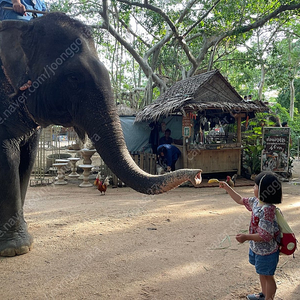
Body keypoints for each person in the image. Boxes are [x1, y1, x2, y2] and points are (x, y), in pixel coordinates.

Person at [219, 171, 281, 300]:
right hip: (257, 248)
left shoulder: (268, 210)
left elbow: (265, 236)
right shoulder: (256, 202)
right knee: (262, 273)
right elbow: (240, 200)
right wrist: (227, 187)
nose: (253, 188)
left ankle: (269, 298)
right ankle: (263, 295)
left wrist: (246, 237)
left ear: (264, 190)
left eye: (255, 186)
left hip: (267, 251)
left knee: (268, 276)